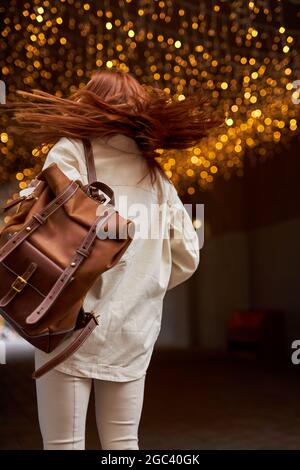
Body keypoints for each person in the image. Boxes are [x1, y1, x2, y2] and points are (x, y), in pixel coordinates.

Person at [6, 69, 221, 450]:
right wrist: (143, 283)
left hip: (65, 321)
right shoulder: (156, 177)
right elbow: (188, 254)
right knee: (123, 443)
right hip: (131, 330)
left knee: (63, 444)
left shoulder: (70, 150)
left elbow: (42, 223)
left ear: (89, 103)